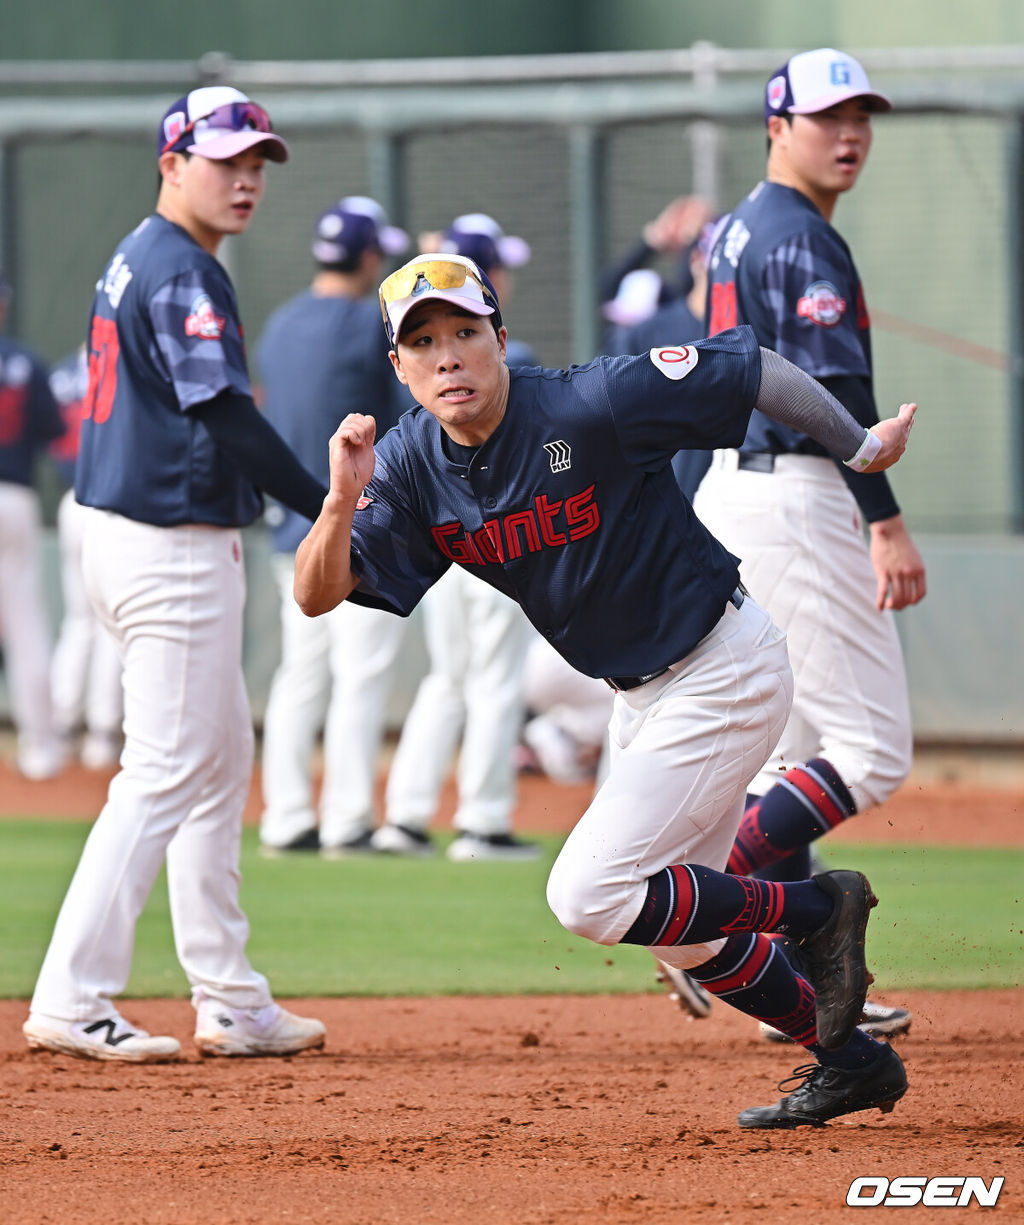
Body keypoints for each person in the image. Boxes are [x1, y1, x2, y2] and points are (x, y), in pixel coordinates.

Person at [294, 250, 917, 1127]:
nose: (447, 357)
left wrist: (857, 446)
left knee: (586, 894)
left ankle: (818, 905)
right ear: (397, 366)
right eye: (423, 342)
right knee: (686, 930)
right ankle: (853, 1060)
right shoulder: (404, 464)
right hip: (640, 696)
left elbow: (752, 368)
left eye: (465, 332)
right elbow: (317, 594)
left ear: (499, 339)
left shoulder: (589, 401)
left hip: (723, 666)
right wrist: (337, 502)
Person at [23, 86, 329, 1063]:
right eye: (224, 160)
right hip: (172, 545)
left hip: (128, 533)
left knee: (217, 762)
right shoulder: (182, 271)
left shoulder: (141, 253)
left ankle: (230, 995)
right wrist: (327, 503)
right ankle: (73, 994)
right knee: (164, 771)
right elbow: (227, 420)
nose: (244, 180)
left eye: (256, 163)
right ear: (171, 163)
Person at [688, 48, 925, 1039]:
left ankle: (797, 984)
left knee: (785, 749)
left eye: (860, 114)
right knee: (869, 750)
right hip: (797, 491)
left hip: (737, 486)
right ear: (777, 125)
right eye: (829, 116)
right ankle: (713, 901)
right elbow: (841, 403)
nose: (850, 132)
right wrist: (886, 519)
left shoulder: (735, 227)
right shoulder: (801, 239)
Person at [372, 214, 540, 862]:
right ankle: (484, 822)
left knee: (448, 678)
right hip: (499, 539)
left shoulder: (420, 356)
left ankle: (406, 818)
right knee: (495, 677)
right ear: (488, 278)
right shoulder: (502, 356)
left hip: (443, 538)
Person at [257, 196, 413, 858]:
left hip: (290, 527)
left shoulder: (280, 324)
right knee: (359, 674)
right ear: (371, 257)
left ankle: (286, 816)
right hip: (358, 527)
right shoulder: (364, 328)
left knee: (301, 674)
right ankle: (348, 819)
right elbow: (408, 412)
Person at [0, 274, 67, 780]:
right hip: (13, 496)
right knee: (25, 628)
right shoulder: (21, 362)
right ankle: (41, 750)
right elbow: (52, 430)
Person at [47, 345, 124, 771]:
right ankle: (100, 734)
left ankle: (60, 725)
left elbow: (50, 438)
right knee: (109, 622)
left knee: (79, 620)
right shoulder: (129, 367)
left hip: (72, 499)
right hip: (110, 503)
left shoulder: (62, 372)